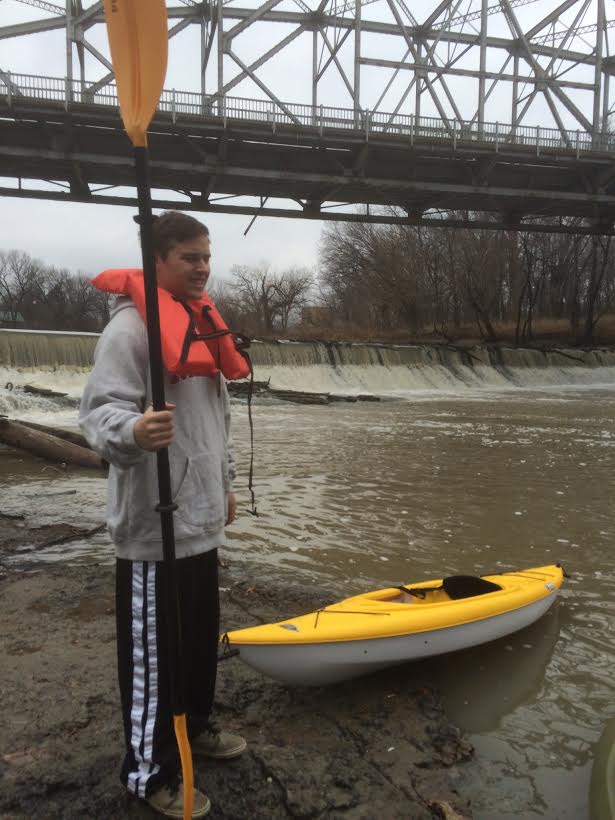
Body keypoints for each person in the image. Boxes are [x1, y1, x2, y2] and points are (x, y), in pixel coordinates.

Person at [79, 211, 246, 818]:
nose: (203, 268)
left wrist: (223, 484)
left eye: (206, 256)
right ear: (158, 261)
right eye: (188, 258)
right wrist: (134, 429)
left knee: (199, 641)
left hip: (200, 516)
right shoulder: (129, 331)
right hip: (154, 525)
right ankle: (148, 773)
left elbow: (217, 425)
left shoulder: (201, 325)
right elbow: (98, 415)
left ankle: (194, 726)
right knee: (156, 655)